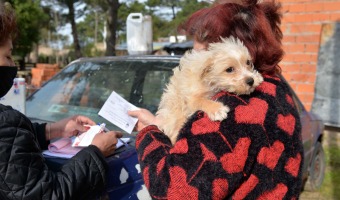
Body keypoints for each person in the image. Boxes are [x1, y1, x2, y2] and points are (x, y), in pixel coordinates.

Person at [128, 0, 304, 199]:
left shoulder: (230, 109)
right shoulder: (277, 88)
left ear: (234, 47)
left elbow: (174, 191)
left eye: (203, 44)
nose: (194, 54)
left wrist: (148, 132)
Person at [0, 2, 122, 199]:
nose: (13, 65)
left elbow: (9, 152)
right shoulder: (5, 123)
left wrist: (53, 130)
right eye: (8, 55)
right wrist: (96, 152)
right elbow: (49, 195)